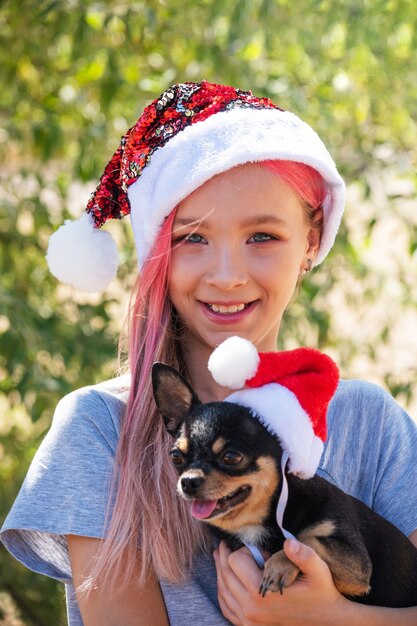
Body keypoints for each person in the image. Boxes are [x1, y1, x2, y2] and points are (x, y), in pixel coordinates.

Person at [1, 81, 417, 626]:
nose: (227, 276)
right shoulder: (102, 431)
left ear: (311, 241)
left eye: (263, 236)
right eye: (192, 237)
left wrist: (332, 617)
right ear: (157, 251)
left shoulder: (369, 423)